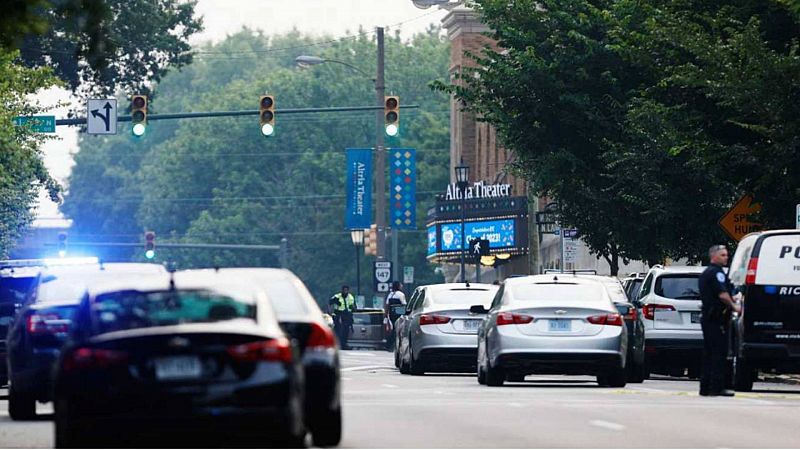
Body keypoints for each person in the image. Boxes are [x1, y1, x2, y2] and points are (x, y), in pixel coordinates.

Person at [698, 245, 741, 397]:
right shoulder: (716, 273)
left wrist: (734, 297)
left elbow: (726, 292)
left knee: (709, 353)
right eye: (723, 255)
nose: (726, 257)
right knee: (719, 353)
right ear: (714, 256)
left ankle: (705, 387)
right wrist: (735, 307)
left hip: (709, 318)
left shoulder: (707, 273)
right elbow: (723, 295)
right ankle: (716, 387)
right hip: (717, 319)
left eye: (726, 255)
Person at [329, 285, 355, 350]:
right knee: (338, 330)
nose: (345, 291)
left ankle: (344, 344)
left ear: (348, 291)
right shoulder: (337, 296)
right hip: (338, 314)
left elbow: (354, 306)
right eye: (344, 290)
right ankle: (337, 344)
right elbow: (329, 303)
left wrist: (353, 308)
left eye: (346, 290)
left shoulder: (351, 297)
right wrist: (330, 312)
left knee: (346, 331)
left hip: (347, 315)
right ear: (342, 290)